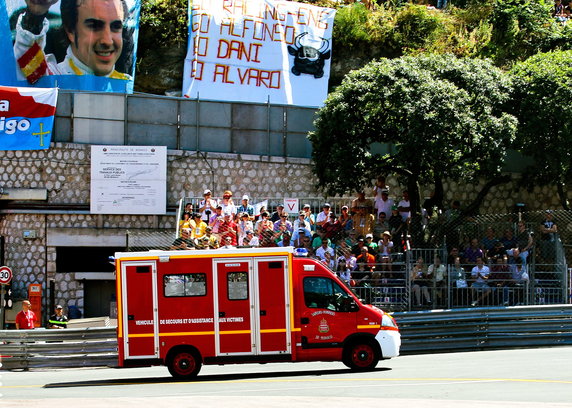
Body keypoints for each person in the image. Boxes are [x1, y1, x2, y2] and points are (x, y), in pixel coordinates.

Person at [14, 0, 132, 84]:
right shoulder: (52, 78)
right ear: (70, 30)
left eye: (116, 26)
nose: (107, 41)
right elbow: (27, 66)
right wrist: (35, 16)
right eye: (94, 26)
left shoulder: (127, 85)